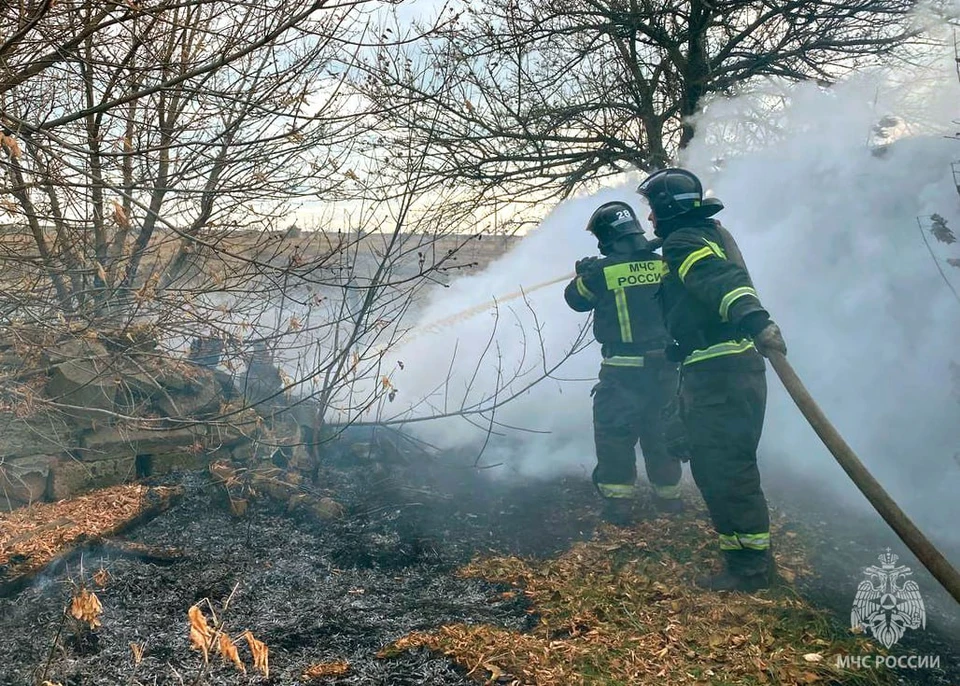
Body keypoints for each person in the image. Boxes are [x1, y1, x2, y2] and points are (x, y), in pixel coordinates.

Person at [636, 167, 787, 591]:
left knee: (727, 471)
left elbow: (722, 282)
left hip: (720, 374)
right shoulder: (701, 235)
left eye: (652, 210)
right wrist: (679, 345)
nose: (649, 219)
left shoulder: (685, 242)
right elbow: (698, 302)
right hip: (719, 368)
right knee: (717, 468)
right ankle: (743, 561)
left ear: (666, 209)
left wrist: (757, 320)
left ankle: (751, 571)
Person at [564, 201, 684, 525]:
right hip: (665, 368)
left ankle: (619, 507)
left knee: (615, 434)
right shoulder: (663, 265)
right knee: (660, 433)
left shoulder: (602, 273)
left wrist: (584, 272)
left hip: (622, 372)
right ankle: (669, 500)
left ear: (605, 237)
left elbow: (575, 299)